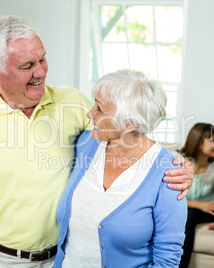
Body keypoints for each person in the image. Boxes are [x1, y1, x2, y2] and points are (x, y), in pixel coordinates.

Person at [0, 15, 193, 268]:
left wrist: (176, 166)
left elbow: (127, 130)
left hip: (59, 256)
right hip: (0, 258)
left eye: (43, 59)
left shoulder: (73, 103)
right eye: (27, 66)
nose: (41, 72)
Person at [54, 69, 187, 268]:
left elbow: (167, 261)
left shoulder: (169, 175)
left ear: (130, 123)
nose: (90, 113)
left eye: (99, 108)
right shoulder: (86, 144)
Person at [178, 123, 214, 268]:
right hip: (190, 209)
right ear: (198, 142)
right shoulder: (178, 162)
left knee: (190, 215)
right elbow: (168, 197)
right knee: (188, 213)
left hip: (213, 211)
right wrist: (200, 204)